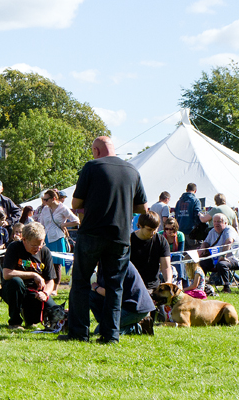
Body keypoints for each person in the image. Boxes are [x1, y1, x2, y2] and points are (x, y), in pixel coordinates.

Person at [62, 136, 147, 343]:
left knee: (81, 282)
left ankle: (79, 333)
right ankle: (111, 335)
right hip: (120, 237)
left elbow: (75, 202)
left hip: (92, 233)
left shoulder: (91, 167)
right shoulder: (132, 170)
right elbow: (143, 208)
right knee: (115, 287)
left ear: (96, 151)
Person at [0, 222, 58, 329]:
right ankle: (15, 322)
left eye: (41, 244)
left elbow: (50, 280)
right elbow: (7, 274)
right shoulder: (14, 248)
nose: (38, 248)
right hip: (15, 290)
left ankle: (30, 318)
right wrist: (33, 275)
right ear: (24, 240)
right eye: (34, 245)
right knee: (15, 282)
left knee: (55, 312)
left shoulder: (45, 252)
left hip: (36, 292)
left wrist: (45, 293)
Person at [90, 261, 154, 335]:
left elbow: (112, 292)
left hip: (134, 308)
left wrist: (96, 287)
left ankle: (137, 328)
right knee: (91, 295)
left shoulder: (114, 263)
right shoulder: (103, 264)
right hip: (123, 304)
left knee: (101, 332)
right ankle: (106, 323)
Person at [35, 189, 79, 292]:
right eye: (43, 199)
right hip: (46, 238)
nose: (44, 201)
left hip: (58, 238)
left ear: (53, 198)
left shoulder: (63, 208)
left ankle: (55, 288)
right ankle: (46, 285)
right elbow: (41, 223)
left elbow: (76, 221)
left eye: (46, 199)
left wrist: (64, 224)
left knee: (56, 264)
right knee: (45, 263)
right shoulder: (45, 209)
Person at [129, 211, 172, 292]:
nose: (153, 232)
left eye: (155, 229)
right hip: (132, 286)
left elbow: (166, 266)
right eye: (149, 229)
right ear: (140, 226)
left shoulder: (161, 240)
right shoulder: (129, 241)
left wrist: (168, 282)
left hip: (153, 287)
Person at [199, 213, 239, 293]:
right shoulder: (212, 231)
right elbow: (205, 242)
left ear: (225, 223)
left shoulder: (229, 230)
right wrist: (201, 252)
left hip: (233, 259)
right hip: (215, 259)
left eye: (219, 221)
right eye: (214, 221)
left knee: (222, 264)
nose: (216, 224)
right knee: (202, 263)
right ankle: (201, 285)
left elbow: (229, 241)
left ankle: (226, 287)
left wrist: (223, 255)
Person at [174, 183, 203, 250]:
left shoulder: (179, 201)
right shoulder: (195, 201)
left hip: (180, 231)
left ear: (186, 190)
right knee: (193, 252)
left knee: (182, 251)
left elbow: (175, 215)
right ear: (195, 191)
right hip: (191, 231)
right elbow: (197, 215)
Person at [160, 217, 186, 286]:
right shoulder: (160, 235)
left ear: (175, 228)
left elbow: (180, 251)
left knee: (178, 257)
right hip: (163, 257)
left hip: (176, 256)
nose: (168, 231)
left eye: (171, 229)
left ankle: (179, 280)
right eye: (166, 229)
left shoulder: (180, 235)